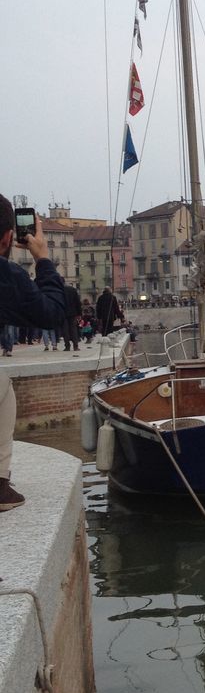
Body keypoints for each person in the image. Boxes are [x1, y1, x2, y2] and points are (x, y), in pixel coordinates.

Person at [0, 195, 66, 511]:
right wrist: (42, 259)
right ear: (8, 238)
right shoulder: (6, 275)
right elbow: (51, 313)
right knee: (2, 390)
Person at [61, 283, 82, 353]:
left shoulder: (60, 290)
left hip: (63, 313)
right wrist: (79, 313)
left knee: (65, 330)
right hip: (73, 313)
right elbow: (78, 302)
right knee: (73, 329)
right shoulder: (73, 290)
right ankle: (75, 346)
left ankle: (67, 346)